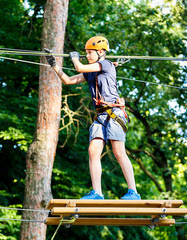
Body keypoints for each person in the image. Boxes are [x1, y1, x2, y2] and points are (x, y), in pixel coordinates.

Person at [44, 36, 141, 200]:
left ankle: (133, 192)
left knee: (118, 152)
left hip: (113, 113)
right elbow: (68, 80)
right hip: (101, 116)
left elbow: (79, 66)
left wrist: (75, 59)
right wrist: (54, 65)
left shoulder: (106, 64)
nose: (87, 56)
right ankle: (97, 192)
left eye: (90, 53)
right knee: (93, 151)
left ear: (101, 53)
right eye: (86, 53)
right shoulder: (90, 73)